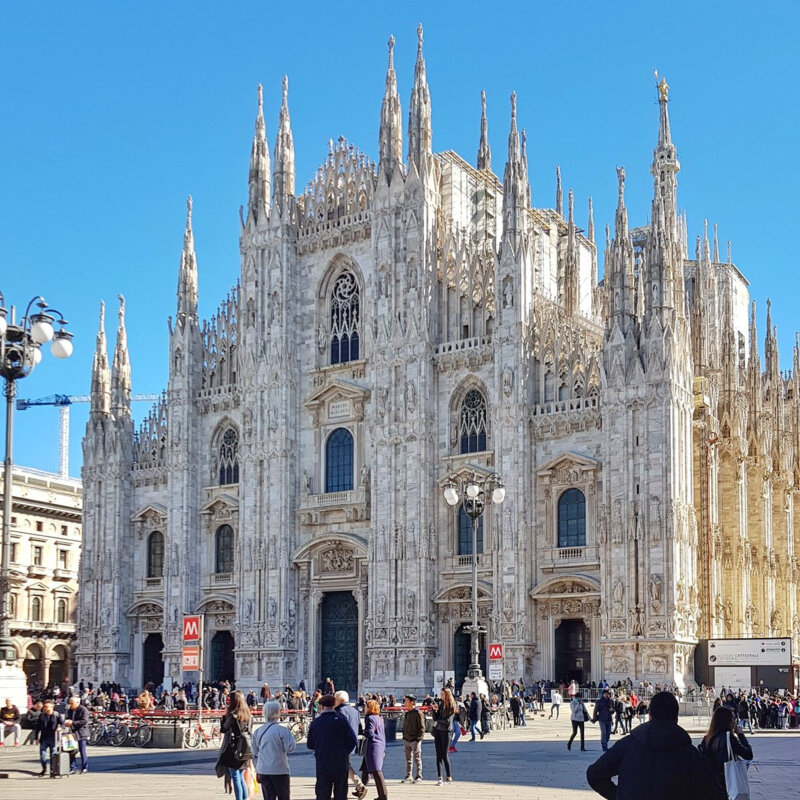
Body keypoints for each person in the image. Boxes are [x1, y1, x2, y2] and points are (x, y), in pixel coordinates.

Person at [586, 691, 725, 800]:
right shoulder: (689, 753)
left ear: (650, 715)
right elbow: (715, 793)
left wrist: (619, 795)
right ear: (676, 718)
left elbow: (594, 775)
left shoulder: (627, 745)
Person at [307, 694, 357, 800]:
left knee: (323, 792)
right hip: (340, 761)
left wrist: (320, 748)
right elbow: (353, 740)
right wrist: (344, 752)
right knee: (341, 792)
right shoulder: (341, 720)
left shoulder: (316, 723)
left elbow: (310, 744)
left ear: (321, 706)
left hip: (323, 762)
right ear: (334, 705)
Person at [697, 705, 753, 794]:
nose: (735, 722)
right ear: (727, 721)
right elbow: (748, 754)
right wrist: (741, 735)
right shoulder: (729, 738)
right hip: (727, 781)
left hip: (711, 781)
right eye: (733, 719)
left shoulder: (707, 738)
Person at [251, 699, 296, 800]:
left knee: (268, 797)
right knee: (283, 796)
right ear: (278, 713)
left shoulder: (258, 731)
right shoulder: (283, 731)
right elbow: (290, 748)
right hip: (280, 769)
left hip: (263, 769)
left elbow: (254, 751)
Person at [216, 690, 253, 800]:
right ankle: (245, 798)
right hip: (246, 749)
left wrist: (223, 718)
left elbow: (223, 729)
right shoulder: (248, 716)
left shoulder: (233, 716)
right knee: (241, 777)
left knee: (236, 777)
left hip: (234, 750)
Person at [333, 690, 367, 799]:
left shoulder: (339, 711)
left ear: (340, 700)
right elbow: (360, 728)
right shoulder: (355, 711)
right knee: (345, 767)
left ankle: (359, 786)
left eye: (335, 699)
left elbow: (337, 730)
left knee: (342, 768)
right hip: (351, 743)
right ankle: (350, 790)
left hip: (340, 745)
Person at [360, 699, 387, 799]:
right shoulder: (379, 718)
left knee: (376, 771)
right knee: (366, 769)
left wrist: (361, 734)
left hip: (373, 746)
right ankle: (360, 790)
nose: (364, 708)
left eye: (366, 706)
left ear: (370, 707)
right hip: (379, 745)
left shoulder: (370, 718)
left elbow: (369, 732)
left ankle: (383, 795)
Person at [431, 688, 456, 785]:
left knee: (445, 755)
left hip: (446, 732)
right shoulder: (441, 704)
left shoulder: (451, 706)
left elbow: (447, 722)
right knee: (438, 754)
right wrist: (434, 710)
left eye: (443, 694)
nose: (442, 696)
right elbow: (435, 718)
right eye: (441, 694)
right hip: (438, 731)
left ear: (447, 695)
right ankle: (440, 777)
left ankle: (449, 776)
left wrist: (439, 719)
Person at [34, 700, 64, 777]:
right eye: (45, 707)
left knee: (53, 755)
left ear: (52, 707)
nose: (45, 708)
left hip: (53, 738)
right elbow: (38, 727)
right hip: (44, 738)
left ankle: (52, 770)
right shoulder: (42, 715)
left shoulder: (57, 715)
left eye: (47, 707)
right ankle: (44, 769)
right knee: (42, 755)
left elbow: (62, 723)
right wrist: (36, 738)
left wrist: (60, 727)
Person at [400, 694, 424, 783]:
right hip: (406, 739)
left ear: (412, 702)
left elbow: (422, 727)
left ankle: (418, 776)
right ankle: (408, 775)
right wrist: (404, 736)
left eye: (406, 701)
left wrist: (419, 738)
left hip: (415, 739)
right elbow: (405, 725)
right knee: (408, 759)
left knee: (417, 758)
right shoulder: (407, 713)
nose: (405, 702)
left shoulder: (418, 713)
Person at [64, 695, 90, 774]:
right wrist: (67, 722)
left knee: (82, 750)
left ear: (77, 703)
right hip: (72, 732)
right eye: (70, 703)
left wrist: (73, 723)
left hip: (81, 732)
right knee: (71, 750)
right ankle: (72, 768)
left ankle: (84, 767)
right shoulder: (69, 710)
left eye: (72, 703)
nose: (70, 705)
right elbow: (67, 718)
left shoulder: (83, 709)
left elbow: (84, 721)